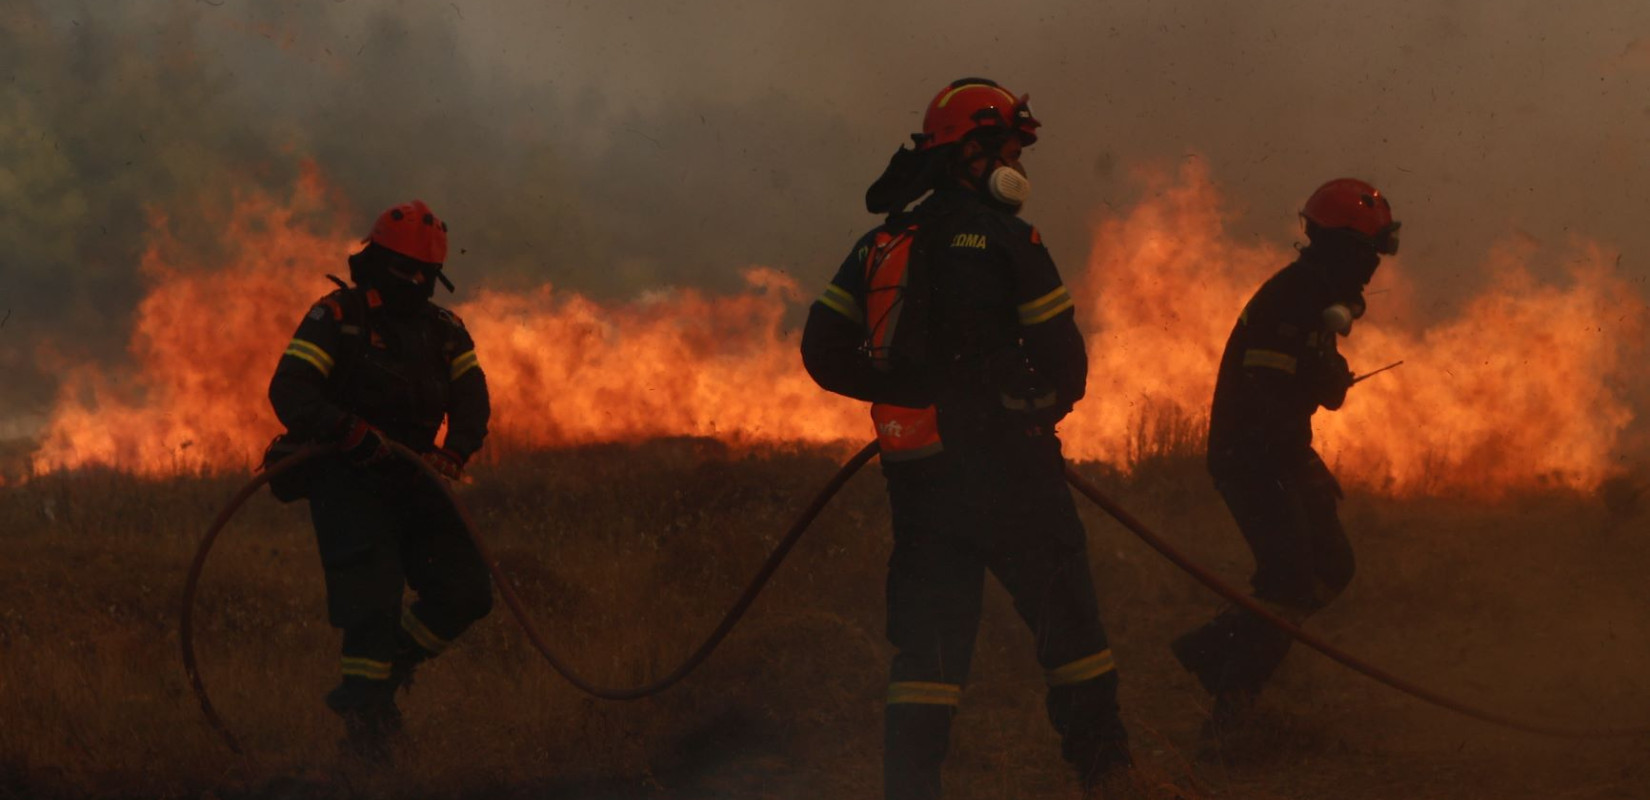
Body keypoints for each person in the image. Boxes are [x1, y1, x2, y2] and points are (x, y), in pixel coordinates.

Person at [801, 78, 1133, 799]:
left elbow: (822, 352)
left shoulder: (881, 242)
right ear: (973, 153)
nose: (1019, 164)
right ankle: (1109, 777)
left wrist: (907, 387)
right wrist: (1025, 409)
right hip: (1016, 478)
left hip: (922, 479)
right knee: (1069, 632)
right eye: (1011, 148)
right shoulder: (1011, 240)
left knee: (928, 652)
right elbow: (1066, 367)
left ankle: (910, 788)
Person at [1172, 178, 1399, 742]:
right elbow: (1267, 394)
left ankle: (1212, 649)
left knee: (1332, 567)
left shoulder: (1318, 297)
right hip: (1252, 458)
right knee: (1289, 581)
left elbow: (1310, 380)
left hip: (1282, 453)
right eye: (1367, 254)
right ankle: (1231, 705)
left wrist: (1326, 385)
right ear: (1341, 247)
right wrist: (1299, 466)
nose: (1372, 268)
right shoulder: (1294, 300)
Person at [266, 199, 493, 761]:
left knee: (466, 591)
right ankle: (367, 731)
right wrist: (345, 430)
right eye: (404, 271)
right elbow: (290, 388)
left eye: (424, 274)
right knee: (371, 605)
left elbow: (472, 400)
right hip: (349, 481)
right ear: (376, 261)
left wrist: (455, 452)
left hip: (416, 480)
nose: (413, 283)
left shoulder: (445, 331)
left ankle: (388, 672)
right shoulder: (338, 318)